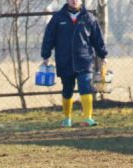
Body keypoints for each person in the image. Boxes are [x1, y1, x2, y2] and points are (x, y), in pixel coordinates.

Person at [41, 0, 108, 128]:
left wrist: (103, 55)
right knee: (67, 90)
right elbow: (48, 38)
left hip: (85, 60)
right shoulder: (57, 18)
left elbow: (97, 39)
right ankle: (67, 119)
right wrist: (46, 55)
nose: (74, 1)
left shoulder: (89, 18)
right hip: (64, 61)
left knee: (86, 87)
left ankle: (88, 118)